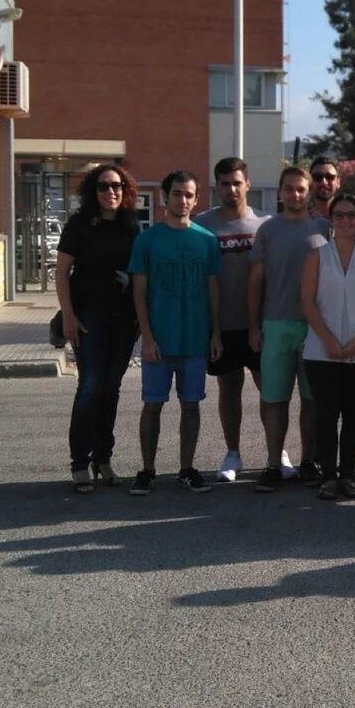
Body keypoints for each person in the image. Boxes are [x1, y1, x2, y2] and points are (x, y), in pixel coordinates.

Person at [127, 170, 223, 495]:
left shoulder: (206, 241)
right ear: (165, 197)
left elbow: (213, 290)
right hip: (159, 340)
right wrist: (147, 337)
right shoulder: (147, 240)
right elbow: (139, 292)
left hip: (194, 339)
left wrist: (216, 333)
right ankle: (147, 470)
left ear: (196, 200)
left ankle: (186, 468)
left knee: (191, 405)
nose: (183, 200)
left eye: (189, 194)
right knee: (152, 405)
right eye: (177, 193)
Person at [55, 163, 141, 494]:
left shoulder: (131, 225)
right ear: (93, 191)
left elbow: (139, 274)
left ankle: (103, 461)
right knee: (90, 386)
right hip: (88, 317)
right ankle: (80, 463)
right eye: (103, 186)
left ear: (125, 190)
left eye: (117, 186)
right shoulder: (79, 225)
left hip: (124, 319)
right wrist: (68, 315)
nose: (111, 192)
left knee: (111, 388)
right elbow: (62, 272)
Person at [249, 165, 332, 492]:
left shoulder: (325, 228)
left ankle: (308, 461)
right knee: (274, 398)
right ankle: (273, 463)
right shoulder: (268, 230)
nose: (295, 194)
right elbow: (256, 280)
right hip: (276, 324)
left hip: (316, 328)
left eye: (301, 189)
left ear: (309, 192)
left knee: (312, 399)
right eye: (289, 189)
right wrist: (254, 326)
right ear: (280, 192)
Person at [300, 193, 355, 499]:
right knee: (325, 416)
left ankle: (348, 475)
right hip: (320, 351)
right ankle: (328, 476)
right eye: (339, 215)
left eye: (351, 215)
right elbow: (307, 302)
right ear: (331, 220)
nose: (346, 220)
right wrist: (329, 341)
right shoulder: (316, 257)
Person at [194, 157, 272, 482]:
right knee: (229, 387)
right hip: (221, 325)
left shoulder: (265, 224)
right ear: (217, 187)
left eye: (237, 182)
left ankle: (276, 453)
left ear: (248, 185)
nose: (232, 189)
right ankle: (233, 453)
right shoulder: (202, 225)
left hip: (260, 324)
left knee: (269, 388)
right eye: (225, 184)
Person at [307, 155, 342, 220]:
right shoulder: (299, 215)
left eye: (330, 177)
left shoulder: (347, 215)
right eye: (318, 177)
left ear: (338, 182)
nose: (324, 182)